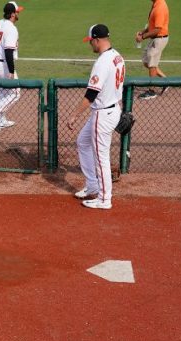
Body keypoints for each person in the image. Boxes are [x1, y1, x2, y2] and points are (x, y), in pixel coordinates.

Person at [67, 24, 124, 210]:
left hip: (103, 114)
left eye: (91, 41)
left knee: (101, 158)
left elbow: (91, 94)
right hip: (113, 108)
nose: (90, 44)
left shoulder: (102, 62)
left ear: (97, 40)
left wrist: (74, 115)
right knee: (83, 142)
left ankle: (104, 198)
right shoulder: (117, 56)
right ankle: (92, 184)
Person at [0, 2, 23, 132]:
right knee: (16, 93)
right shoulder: (11, 28)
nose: (18, 14)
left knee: (2, 91)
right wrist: (11, 71)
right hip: (4, 65)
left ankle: (0, 119)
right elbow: (8, 51)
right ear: (12, 14)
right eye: (17, 12)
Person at [136, 0, 169, 99]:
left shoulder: (160, 8)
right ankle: (166, 81)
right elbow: (152, 25)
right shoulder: (156, 4)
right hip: (155, 39)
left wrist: (142, 37)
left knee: (152, 64)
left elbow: (157, 30)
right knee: (146, 61)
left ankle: (151, 91)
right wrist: (143, 31)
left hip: (159, 39)